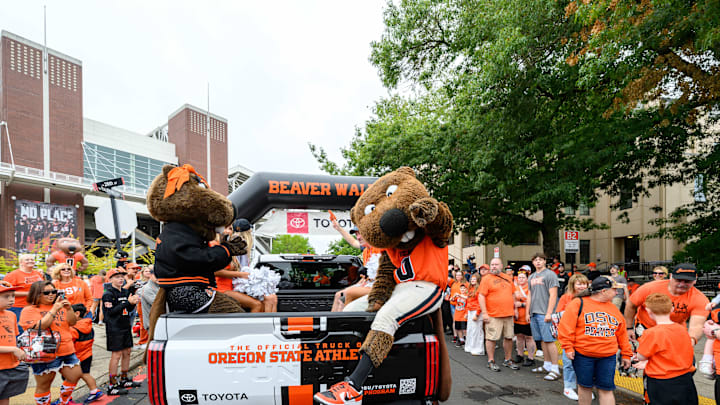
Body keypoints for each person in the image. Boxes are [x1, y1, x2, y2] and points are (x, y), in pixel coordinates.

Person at [558, 276, 633, 405]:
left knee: (606, 388)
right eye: (614, 290)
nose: (616, 293)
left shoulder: (613, 308)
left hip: (607, 356)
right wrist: (568, 347)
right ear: (603, 291)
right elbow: (566, 327)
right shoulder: (578, 303)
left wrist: (626, 354)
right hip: (583, 355)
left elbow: (622, 334)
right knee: (585, 387)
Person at [19, 281, 82, 405]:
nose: (51, 295)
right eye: (47, 292)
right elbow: (40, 327)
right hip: (44, 351)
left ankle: (63, 402)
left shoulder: (61, 306)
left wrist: (69, 309)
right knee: (44, 385)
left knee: (75, 375)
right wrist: (54, 310)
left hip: (66, 349)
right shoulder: (29, 310)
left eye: (54, 292)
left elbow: (73, 322)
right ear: (37, 294)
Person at [624, 263, 709, 346]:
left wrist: (691, 340)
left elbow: (697, 325)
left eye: (687, 281)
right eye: (678, 280)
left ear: (695, 280)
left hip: (674, 331)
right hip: (646, 327)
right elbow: (631, 305)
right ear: (671, 276)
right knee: (646, 355)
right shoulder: (650, 288)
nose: (682, 284)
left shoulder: (699, 299)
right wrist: (629, 328)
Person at [635, 293, 697, 405]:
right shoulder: (682, 329)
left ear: (649, 312)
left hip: (661, 381)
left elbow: (642, 356)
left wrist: (641, 358)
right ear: (672, 309)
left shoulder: (651, 333)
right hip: (684, 379)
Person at [102, 269, 141, 395]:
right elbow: (110, 312)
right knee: (116, 354)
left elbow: (128, 307)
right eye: (117, 277)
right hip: (114, 327)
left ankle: (124, 378)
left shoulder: (125, 291)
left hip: (125, 325)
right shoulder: (108, 294)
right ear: (110, 279)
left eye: (122, 277)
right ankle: (112, 384)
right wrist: (126, 303)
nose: (120, 279)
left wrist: (133, 303)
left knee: (127, 352)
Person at [479, 258, 519, 371]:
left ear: (501, 266)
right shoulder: (486, 279)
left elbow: (513, 294)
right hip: (493, 314)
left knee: (509, 337)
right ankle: (491, 361)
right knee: (491, 338)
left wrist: (515, 309)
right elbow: (481, 296)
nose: (494, 266)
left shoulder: (507, 278)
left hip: (508, 314)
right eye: (492, 264)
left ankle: (508, 359)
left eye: (496, 264)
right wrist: (484, 313)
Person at [554, 273, 590, 401]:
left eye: (584, 284)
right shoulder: (566, 298)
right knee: (568, 362)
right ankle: (568, 387)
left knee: (584, 363)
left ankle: (584, 388)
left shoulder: (590, 298)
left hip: (585, 335)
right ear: (573, 284)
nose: (582, 286)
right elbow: (558, 314)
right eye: (579, 284)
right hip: (569, 335)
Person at [331, 222, 380, 312]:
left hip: (380, 287)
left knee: (348, 293)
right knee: (338, 295)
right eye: (356, 234)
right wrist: (338, 228)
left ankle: (345, 322)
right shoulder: (366, 251)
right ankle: (332, 324)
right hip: (369, 285)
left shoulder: (381, 247)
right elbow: (353, 242)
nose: (358, 237)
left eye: (360, 233)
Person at [528, 252, 560, 380]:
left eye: (540, 259)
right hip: (534, 313)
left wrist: (549, 312)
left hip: (545, 313)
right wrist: (527, 313)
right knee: (541, 340)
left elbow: (553, 295)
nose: (538, 262)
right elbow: (530, 296)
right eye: (535, 260)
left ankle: (555, 369)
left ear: (545, 261)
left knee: (549, 341)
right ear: (533, 262)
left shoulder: (550, 275)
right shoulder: (531, 277)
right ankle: (546, 365)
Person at [0, 281, 29, 405]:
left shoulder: (11, 315)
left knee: (5, 396)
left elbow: (13, 338)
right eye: (6, 296)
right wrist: (13, 350)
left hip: (10, 365)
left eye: (13, 296)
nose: (12, 299)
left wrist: (19, 350)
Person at [70, 304, 104, 403]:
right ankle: (94, 391)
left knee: (69, 378)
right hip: (88, 354)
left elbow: (69, 343)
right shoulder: (89, 325)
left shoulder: (73, 329)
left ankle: (66, 397)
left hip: (76, 357)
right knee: (86, 374)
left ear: (76, 314)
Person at [4, 254, 45, 327]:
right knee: (20, 329)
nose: (30, 261)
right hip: (18, 307)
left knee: (34, 328)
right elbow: (5, 292)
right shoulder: (13, 275)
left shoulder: (37, 273)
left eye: (32, 259)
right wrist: (28, 293)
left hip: (35, 306)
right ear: (21, 263)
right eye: (27, 260)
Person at [513, 269, 535, 367]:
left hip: (528, 316)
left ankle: (531, 357)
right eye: (519, 277)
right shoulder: (515, 288)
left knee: (529, 337)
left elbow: (533, 302)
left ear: (527, 278)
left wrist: (521, 304)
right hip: (517, 317)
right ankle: (520, 354)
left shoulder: (530, 289)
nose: (521, 279)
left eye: (523, 277)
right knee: (519, 336)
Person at [138, 267, 159, 351]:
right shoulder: (147, 288)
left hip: (158, 321)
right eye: (156, 275)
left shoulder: (159, 286)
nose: (159, 278)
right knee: (155, 349)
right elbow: (158, 304)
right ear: (151, 275)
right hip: (152, 323)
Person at [464, 273, 484, 355]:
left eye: (474, 279)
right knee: (470, 330)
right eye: (471, 279)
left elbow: (480, 303)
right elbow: (468, 301)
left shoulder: (479, 289)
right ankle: (470, 347)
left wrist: (477, 314)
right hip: (470, 311)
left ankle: (478, 349)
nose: (472, 280)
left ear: (478, 280)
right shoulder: (470, 288)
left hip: (476, 311)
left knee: (477, 330)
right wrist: (466, 312)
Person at [449, 270, 467, 344]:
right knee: (455, 321)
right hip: (453, 303)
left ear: (462, 276)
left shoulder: (466, 284)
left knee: (463, 321)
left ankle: (463, 337)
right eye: (457, 275)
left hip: (463, 304)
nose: (458, 276)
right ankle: (455, 336)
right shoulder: (453, 283)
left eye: (460, 275)